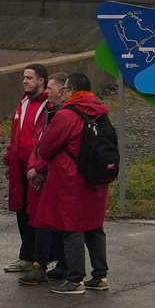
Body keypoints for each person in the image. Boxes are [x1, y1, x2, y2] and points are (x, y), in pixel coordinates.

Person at [29, 72, 114, 294]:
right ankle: (100, 276)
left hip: (71, 180)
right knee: (95, 227)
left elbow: (46, 147)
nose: (63, 93)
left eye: (65, 89)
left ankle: (75, 280)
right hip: (96, 179)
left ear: (73, 91)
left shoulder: (68, 115)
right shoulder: (99, 111)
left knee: (72, 229)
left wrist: (37, 168)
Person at [2, 64, 51, 278]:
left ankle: (42, 259)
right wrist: (8, 161)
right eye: (24, 77)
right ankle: (26, 255)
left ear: (41, 81)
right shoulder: (23, 103)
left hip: (37, 170)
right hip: (19, 169)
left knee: (38, 215)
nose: (25, 81)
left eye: (29, 78)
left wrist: (39, 166)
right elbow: (16, 135)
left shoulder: (49, 105)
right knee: (22, 212)